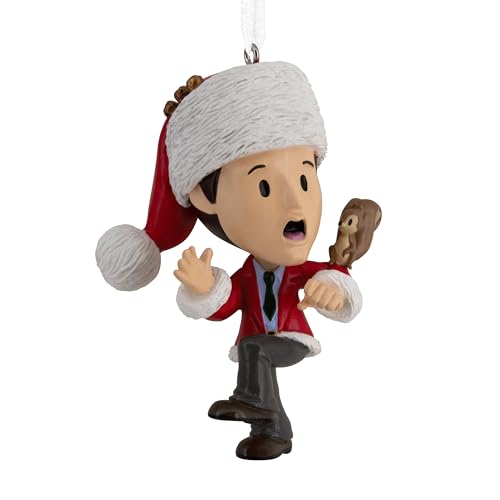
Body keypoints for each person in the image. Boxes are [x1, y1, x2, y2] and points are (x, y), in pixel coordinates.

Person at [96, 61, 362, 460]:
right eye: (265, 186)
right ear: (206, 197)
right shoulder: (247, 274)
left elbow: (332, 277)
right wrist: (206, 288)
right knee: (257, 351)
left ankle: (250, 399)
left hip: (291, 340)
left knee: (255, 348)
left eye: (305, 180)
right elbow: (229, 303)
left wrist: (333, 289)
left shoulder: (300, 272)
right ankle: (273, 430)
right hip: (264, 346)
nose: (295, 204)